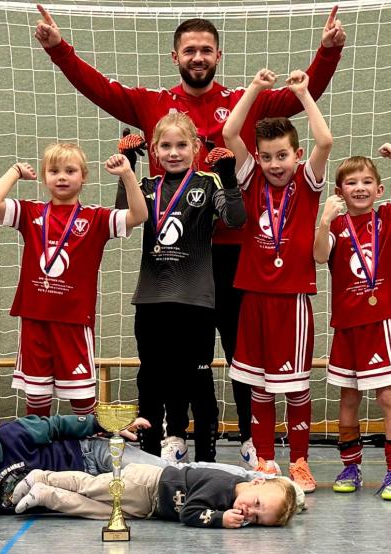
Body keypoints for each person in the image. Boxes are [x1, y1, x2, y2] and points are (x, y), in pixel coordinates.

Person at [35, 5, 346, 466]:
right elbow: (98, 88)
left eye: (205, 50)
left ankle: (249, 438)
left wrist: (328, 53)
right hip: (175, 259)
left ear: (219, 55)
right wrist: (59, 49)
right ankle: (176, 433)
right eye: (189, 50)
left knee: (242, 350)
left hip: (238, 254)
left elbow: (300, 98)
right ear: (174, 56)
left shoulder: (245, 102)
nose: (197, 57)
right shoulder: (151, 103)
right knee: (179, 354)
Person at [222, 68, 333, 493]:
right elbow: (230, 132)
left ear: (296, 154)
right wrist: (254, 89)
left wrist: (303, 94)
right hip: (253, 296)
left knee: (295, 387)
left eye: (282, 156)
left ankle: (300, 462)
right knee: (258, 385)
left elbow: (326, 141)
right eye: (266, 157)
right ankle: (266, 460)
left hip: (292, 299)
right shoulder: (251, 179)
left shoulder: (307, 182)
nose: (274, 165)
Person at [114, 113, 246, 463]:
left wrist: (229, 177)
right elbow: (122, 219)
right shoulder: (147, 186)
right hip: (151, 298)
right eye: (166, 146)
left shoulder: (209, 183)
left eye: (182, 145)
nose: (174, 153)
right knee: (151, 381)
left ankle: (205, 461)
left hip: (195, 300)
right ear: (154, 150)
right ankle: (149, 460)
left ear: (196, 147)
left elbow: (236, 219)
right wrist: (127, 170)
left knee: (197, 381)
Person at [0, 145, 147, 417]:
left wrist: (127, 174)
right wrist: (15, 171)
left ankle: (87, 443)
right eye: (54, 171)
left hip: (74, 322)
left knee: (82, 397)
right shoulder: (31, 212)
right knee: (36, 397)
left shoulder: (95, 218)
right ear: (45, 177)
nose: (61, 177)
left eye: (70, 171)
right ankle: (38, 443)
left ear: (83, 177)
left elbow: (138, 215)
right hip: (35, 319)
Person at [0, 403, 275, 522]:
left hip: (91, 456)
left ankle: (257, 479)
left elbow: (59, 425)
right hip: (86, 492)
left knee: (175, 474)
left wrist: (106, 424)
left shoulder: (14, 433)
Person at [312, 145, 391, 500]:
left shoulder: (389, 217)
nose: (360, 188)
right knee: (348, 398)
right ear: (340, 191)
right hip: (347, 325)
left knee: (387, 397)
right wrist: (324, 219)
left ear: (379, 189)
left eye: (367, 182)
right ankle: (351, 466)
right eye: (351, 183)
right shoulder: (335, 225)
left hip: (381, 323)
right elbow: (319, 256)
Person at [12, 464, 299, 528]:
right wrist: (220, 519)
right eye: (257, 503)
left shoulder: (235, 500)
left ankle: (47, 495)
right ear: (256, 481)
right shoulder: (223, 486)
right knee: (92, 486)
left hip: (151, 508)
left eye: (257, 519)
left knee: (96, 511)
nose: (250, 512)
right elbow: (189, 513)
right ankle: (43, 477)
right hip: (148, 484)